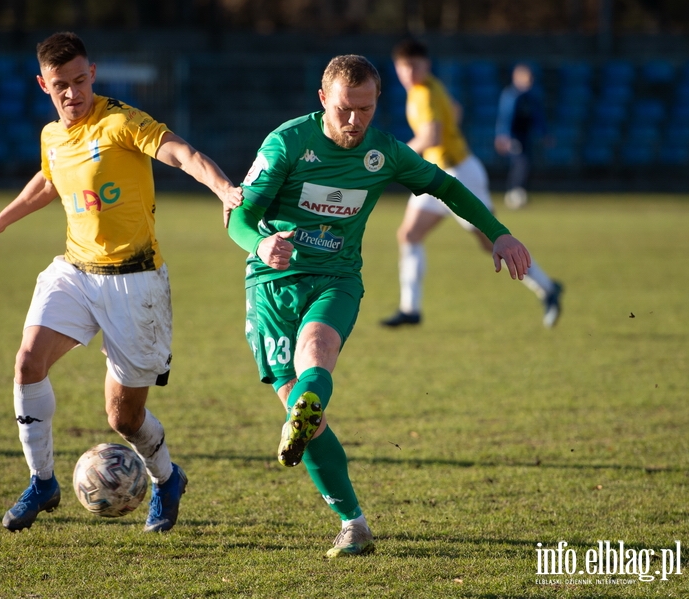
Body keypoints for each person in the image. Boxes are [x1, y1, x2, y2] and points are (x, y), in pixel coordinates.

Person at [228, 54, 532, 558]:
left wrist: (497, 233)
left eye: (365, 109)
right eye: (345, 109)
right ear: (323, 99)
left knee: (317, 351)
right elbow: (240, 216)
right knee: (303, 408)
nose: (354, 121)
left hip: (337, 278)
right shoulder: (287, 143)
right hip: (272, 284)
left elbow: (447, 186)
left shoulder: (384, 152)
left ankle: (310, 413)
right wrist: (259, 244)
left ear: (377, 102)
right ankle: (354, 523)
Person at [0, 31, 242, 533]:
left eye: (78, 80)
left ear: (92, 73)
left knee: (124, 417)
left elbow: (180, 152)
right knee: (27, 363)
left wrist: (223, 188)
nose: (72, 93)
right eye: (59, 86)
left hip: (136, 284)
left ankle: (166, 478)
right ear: (42, 84)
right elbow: (49, 180)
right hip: (75, 271)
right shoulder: (53, 135)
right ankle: (42, 482)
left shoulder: (120, 122)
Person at [382, 39, 563, 329]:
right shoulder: (428, 88)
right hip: (439, 173)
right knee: (409, 235)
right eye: (405, 67)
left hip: (458, 174)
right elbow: (455, 110)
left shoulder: (424, 93)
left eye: (415, 66)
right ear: (397, 69)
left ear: (426, 64)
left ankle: (548, 287)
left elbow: (432, 138)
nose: (410, 72)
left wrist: (392, 158)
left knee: (493, 241)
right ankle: (410, 309)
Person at [495, 63, 547, 209]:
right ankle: (514, 192)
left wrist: (544, 133)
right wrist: (503, 137)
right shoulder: (511, 95)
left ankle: (520, 192)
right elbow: (505, 118)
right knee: (520, 163)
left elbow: (538, 117)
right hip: (514, 136)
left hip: (526, 136)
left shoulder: (531, 96)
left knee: (526, 163)